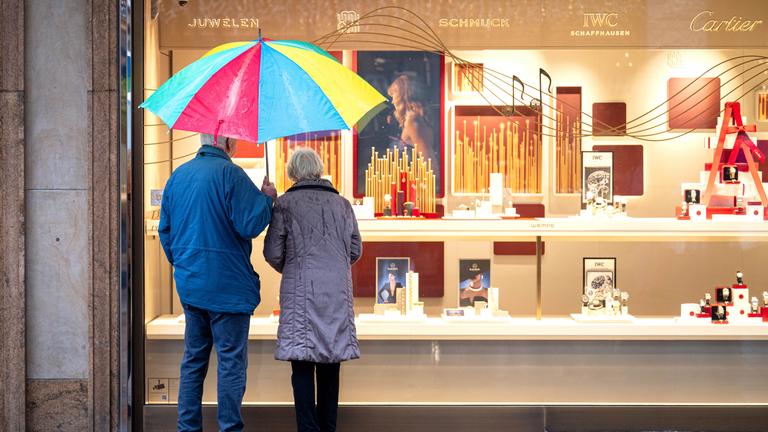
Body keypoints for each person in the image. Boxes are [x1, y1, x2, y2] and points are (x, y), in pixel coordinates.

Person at [158, 133, 277, 432]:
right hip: (229, 289)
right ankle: (229, 428)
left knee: (193, 360)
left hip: (192, 286)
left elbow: (165, 231)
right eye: (234, 139)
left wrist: (185, 265)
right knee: (230, 362)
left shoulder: (177, 176)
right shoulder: (231, 175)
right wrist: (267, 199)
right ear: (226, 142)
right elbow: (250, 225)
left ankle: (188, 427)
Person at [263, 148, 362, 432]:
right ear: (319, 169)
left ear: (293, 172)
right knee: (331, 364)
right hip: (335, 294)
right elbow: (355, 249)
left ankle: (307, 428)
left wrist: (294, 267)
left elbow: (272, 252)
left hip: (299, 296)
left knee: (302, 364)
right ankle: (328, 427)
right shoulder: (343, 205)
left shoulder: (284, 204)